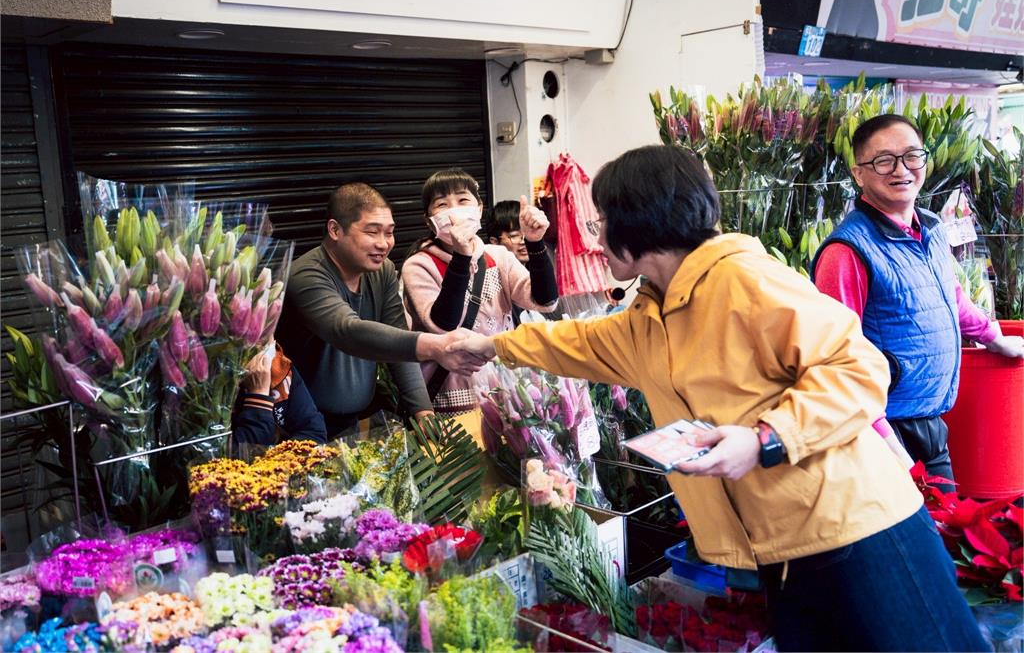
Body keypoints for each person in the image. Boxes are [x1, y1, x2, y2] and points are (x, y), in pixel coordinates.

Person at [449, 144, 989, 651]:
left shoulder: (743, 280)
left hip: (860, 536)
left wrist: (765, 440)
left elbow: (859, 368)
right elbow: (579, 340)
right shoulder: (653, 311)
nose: (595, 237)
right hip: (783, 556)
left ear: (641, 221)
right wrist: (492, 345)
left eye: (602, 221)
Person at [812, 114, 1024, 486]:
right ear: (859, 173)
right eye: (884, 160)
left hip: (930, 421)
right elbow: (835, 358)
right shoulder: (847, 252)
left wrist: (993, 337)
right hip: (884, 432)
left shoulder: (931, 229)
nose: (902, 169)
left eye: (912, 156)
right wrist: (888, 444)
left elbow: (949, 297)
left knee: (951, 535)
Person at [277, 182, 484, 439]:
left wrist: (423, 411)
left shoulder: (382, 271)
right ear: (335, 230)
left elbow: (395, 341)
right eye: (372, 232)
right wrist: (436, 346)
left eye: (389, 233)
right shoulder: (307, 276)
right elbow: (348, 331)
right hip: (300, 429)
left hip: (352, 424)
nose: (384, 244)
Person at [402, 169, 557, 414]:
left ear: (479, 209)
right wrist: (462, 257)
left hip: (506, 393)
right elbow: (443, 325)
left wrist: (536, 242)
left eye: (463, 200)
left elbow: (545, 301)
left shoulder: (498, 256)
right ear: (428, 221)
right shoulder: (419, 265)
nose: (454, 210)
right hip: (449, 399)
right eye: (442, 204)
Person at [232, 341, 327, 446]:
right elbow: (244, 454)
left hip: (280, 460)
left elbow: (314, 434)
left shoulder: (278, 367)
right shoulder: (216, 386)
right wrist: (259, 393)